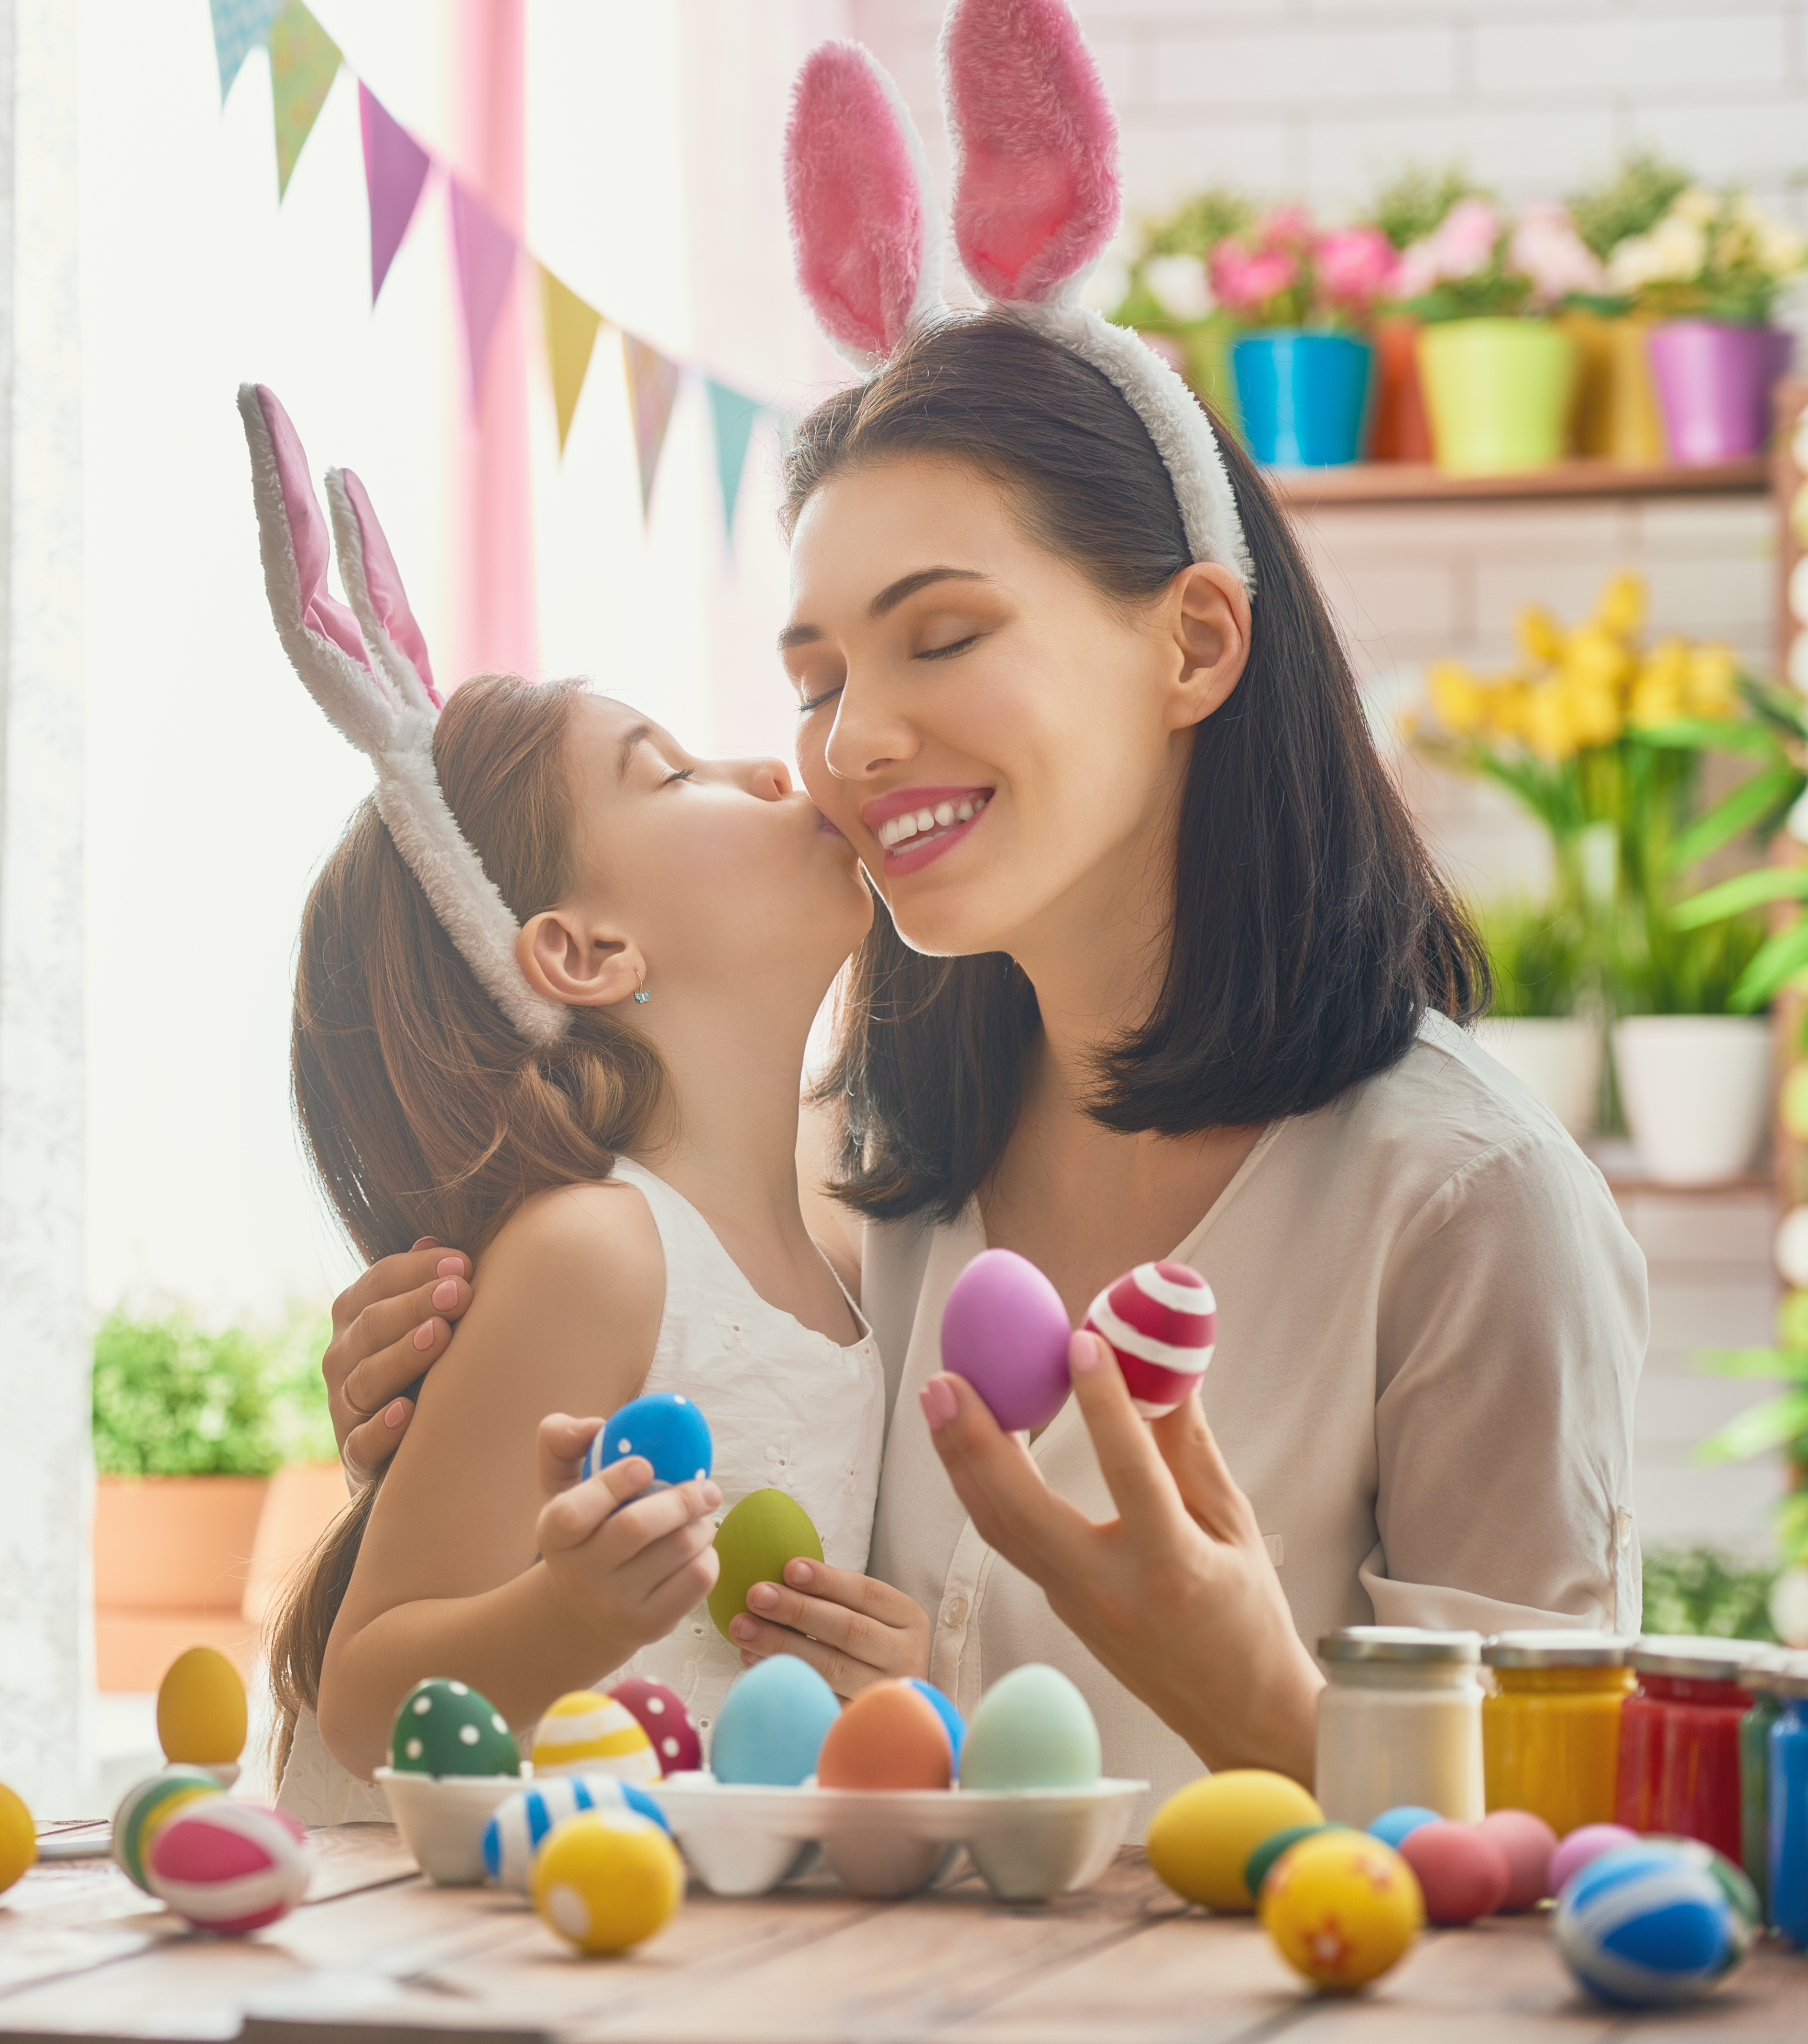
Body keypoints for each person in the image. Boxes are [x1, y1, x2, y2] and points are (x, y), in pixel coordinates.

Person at [308, 8, 1645, 1801]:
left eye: (942, 636)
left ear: (1192, 641)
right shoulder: (862, 1176)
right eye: (813, 675)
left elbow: (1565, 1854)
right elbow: (546, 1552)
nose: (849, 743)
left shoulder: (1467, 1208)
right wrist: (428, 1433)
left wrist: (1258, 1700)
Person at [230, 385, 920, 1824]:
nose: (771, 767)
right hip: (489, 1949)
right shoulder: (599, 1252)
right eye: (671, 773)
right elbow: (365, 1690)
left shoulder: (845, 1263)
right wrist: (570, 1614)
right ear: (584, 950)